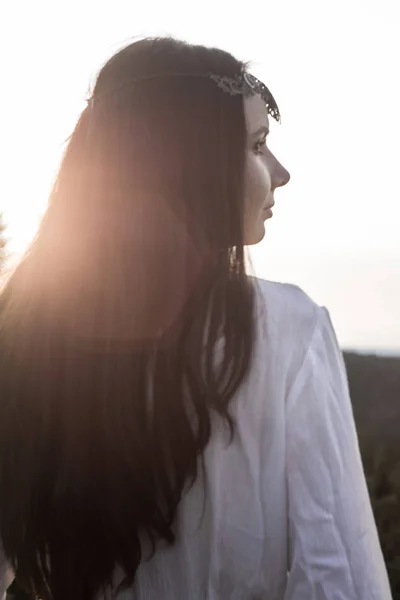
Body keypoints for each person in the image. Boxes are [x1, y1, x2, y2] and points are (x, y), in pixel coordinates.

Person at [0, 36, 392, 600]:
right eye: (258, 145)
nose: (281, 173)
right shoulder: (287, 331)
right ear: (193, 165)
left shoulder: (25, 333)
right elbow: (338, 577)